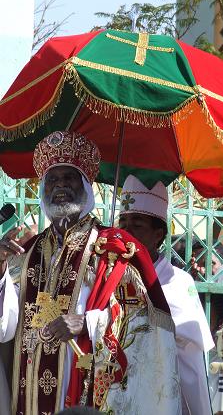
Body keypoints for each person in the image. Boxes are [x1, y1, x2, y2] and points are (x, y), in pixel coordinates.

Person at [0, 131, 182, 415]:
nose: (60, 185)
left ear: (85, 186)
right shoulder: (25, 253)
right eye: (53, 179)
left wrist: (90, 323)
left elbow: (147, 326)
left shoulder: (117, 249)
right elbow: (5, 327)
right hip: (28, 396)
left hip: (89, 393)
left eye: (69, 178)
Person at [118, 174, 215, 415]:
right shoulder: (110, 275)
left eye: (137, 225)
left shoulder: (180, 283)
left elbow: (190, 358)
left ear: (158, 234)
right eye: (123, 224)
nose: (126, 232)